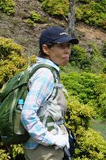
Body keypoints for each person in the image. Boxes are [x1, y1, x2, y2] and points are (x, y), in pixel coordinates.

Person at [21, 26, 78, 160]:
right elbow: (28, 114)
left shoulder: (41, 69)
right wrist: (51, 139)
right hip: (45, 151)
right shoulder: (45, 74)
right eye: (61, 46)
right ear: (46, 49)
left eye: (68, 46)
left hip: (42, 149)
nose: (67, 51)